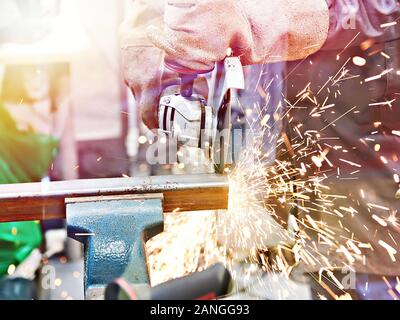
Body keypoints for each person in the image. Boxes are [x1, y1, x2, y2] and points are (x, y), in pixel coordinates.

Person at [120, 0, 400, 299]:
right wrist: (148, 35)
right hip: (282, 152)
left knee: (364, 272)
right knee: (323, 274)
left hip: (362, 155)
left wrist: (264, 18)